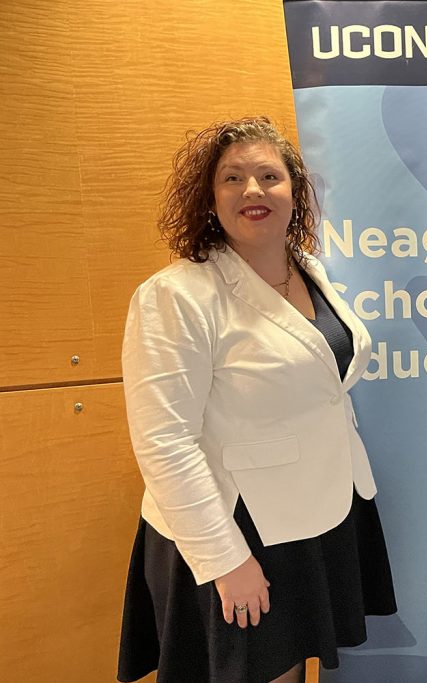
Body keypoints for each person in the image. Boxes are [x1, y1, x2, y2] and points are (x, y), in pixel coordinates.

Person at [116, 117, 396, 683]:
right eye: (232, 178)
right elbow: (164, 442)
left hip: (318, 509)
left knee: (294, 668)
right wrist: (225, 560)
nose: (252, 190)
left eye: (269, 175)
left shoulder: (312, 273)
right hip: (235, 525)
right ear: (209, 198)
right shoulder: (176, 296)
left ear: (295, 190)